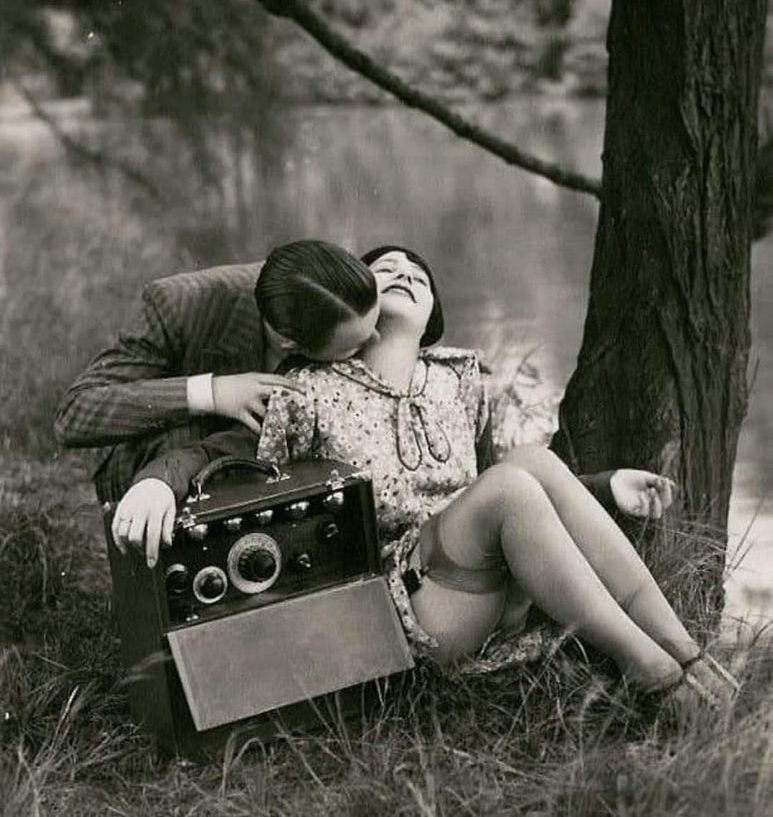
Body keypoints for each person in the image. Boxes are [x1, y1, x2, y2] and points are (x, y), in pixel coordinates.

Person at [127, 245, 738, 702]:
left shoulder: (458, 379)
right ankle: (652, 673)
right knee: (513, 480)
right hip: (414, 607)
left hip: (494, 577)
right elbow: (226, 453)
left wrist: (602, 489)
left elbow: (506, 489)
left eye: (419, 273)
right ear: (356, 305)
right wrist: (157, 479)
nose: (406, 272)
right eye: (386, 268)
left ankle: (685, 652)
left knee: (528, 462)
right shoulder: (306, 392)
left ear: (432, 315)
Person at [54, 239, 379, 520]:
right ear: (289, 343)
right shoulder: (180, 303)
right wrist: (210, 393)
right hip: (161, 456)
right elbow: (75, 415)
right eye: (356, 346)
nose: (378, 340)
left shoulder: (342, 298)